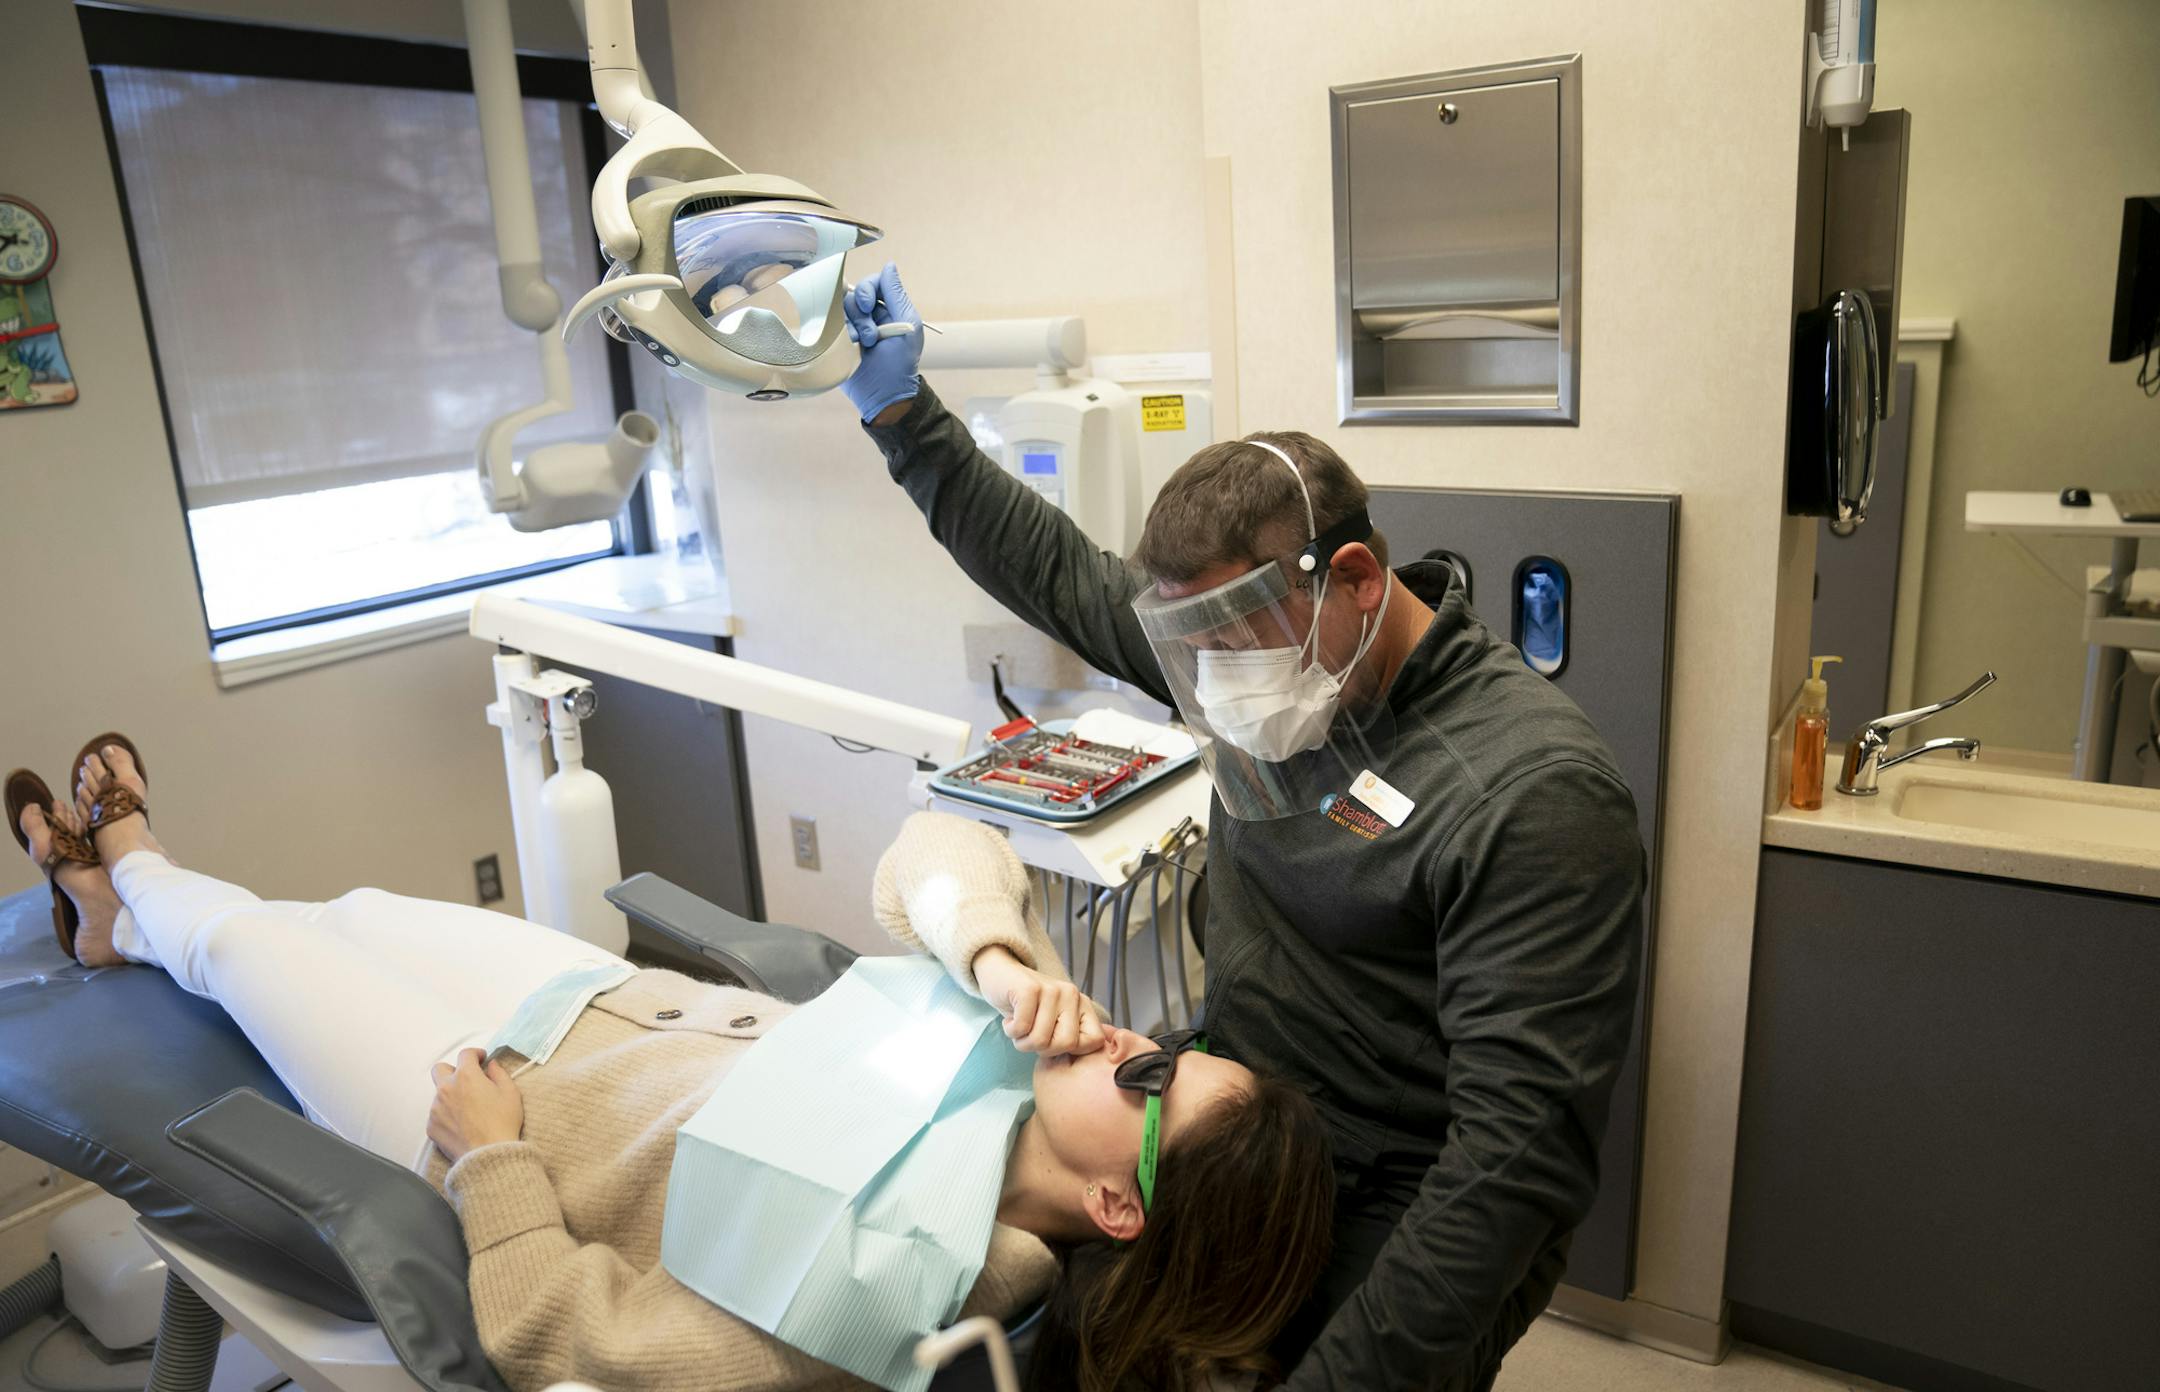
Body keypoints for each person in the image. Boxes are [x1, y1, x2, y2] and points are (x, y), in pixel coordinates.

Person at [841, 264, 1648, 1391]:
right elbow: (1053, 569)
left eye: (1231, 647)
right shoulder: (1258, 662)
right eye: (1191, 654)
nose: (1213, 686)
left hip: (1401, 1207)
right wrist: (899, 413)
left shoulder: (1534, 792)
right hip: (1238, 1135)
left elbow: (1512, 1166)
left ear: (1353, 579)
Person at [14, 743, 1336, 1392]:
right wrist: (994, 958)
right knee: (347, 909)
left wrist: (495, 1158)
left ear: (1120, 1206)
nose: (1135, 1046)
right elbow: (934, 848)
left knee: (246, 942)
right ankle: (122, 924)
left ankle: (128, 863)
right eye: (1176, 1050)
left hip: (488, 1093)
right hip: (587, 995)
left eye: (1156, 1088)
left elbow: (567, 1334)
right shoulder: (1030, 1035)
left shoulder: (909, 1289)